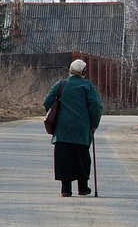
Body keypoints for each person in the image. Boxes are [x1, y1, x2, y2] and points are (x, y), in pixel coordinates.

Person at [43, 59, 102, 197]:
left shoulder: (60, 85)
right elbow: (96, 107)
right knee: (82, 158)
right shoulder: (88, 86)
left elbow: (47, 102)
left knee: (63, 159)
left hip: (62, 130)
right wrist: (94, 124)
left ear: (70, 70)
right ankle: (83, 188)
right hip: (82, 130)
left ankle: (65, 189)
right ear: (84, 72)